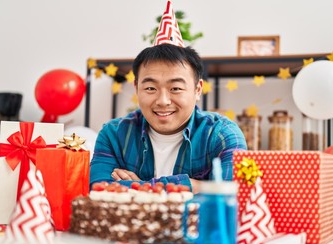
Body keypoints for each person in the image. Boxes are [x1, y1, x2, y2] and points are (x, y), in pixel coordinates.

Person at [90, 43, 247, 193]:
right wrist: (193, 186)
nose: (163, 101)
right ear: (136, 88)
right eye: (151, 88)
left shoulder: (222, 135)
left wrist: (139, 189)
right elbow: (98, 189)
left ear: (198, 89)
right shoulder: (113, 135)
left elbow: (231, 195)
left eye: (176, 88)